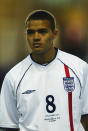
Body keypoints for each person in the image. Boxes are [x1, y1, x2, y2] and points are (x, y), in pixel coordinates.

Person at [0, 9, 88, 131]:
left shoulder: (79, 68)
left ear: (55, 34)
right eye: (31, 32)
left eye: (42, 32)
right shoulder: (13, 77)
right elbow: (9, 126)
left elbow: (85, 116)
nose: (36, 37)